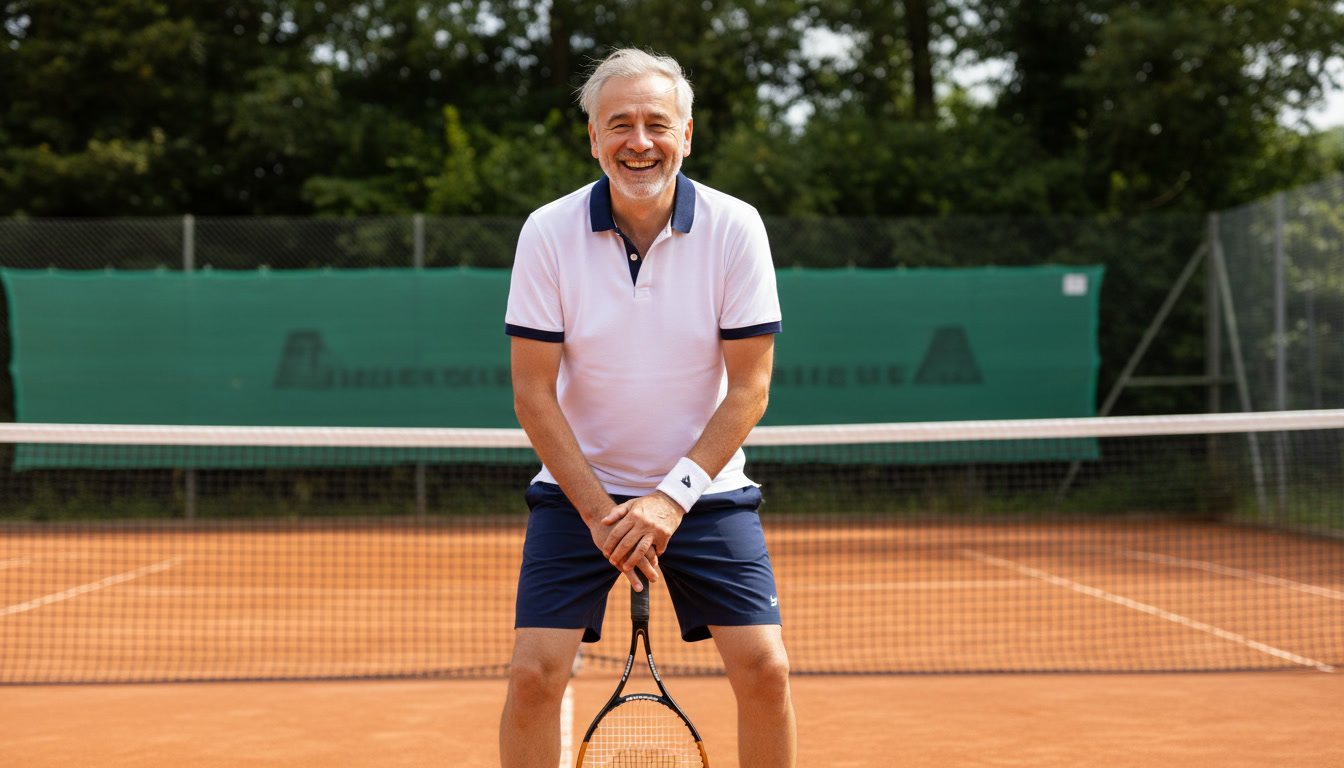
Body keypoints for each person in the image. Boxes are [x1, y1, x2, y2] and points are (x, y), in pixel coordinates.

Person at [499, 48, 796, 768]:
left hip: (707, 495)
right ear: (594, 139)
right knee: (534, 676)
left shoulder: (735, 228)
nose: (639, 142)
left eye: (656, 123)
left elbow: (750, 389)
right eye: (619, 124)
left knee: (766, 670)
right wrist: (604, 513)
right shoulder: (547, 231)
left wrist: (669, 501)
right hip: (579, 499)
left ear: (686, 135)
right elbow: (533, 393)